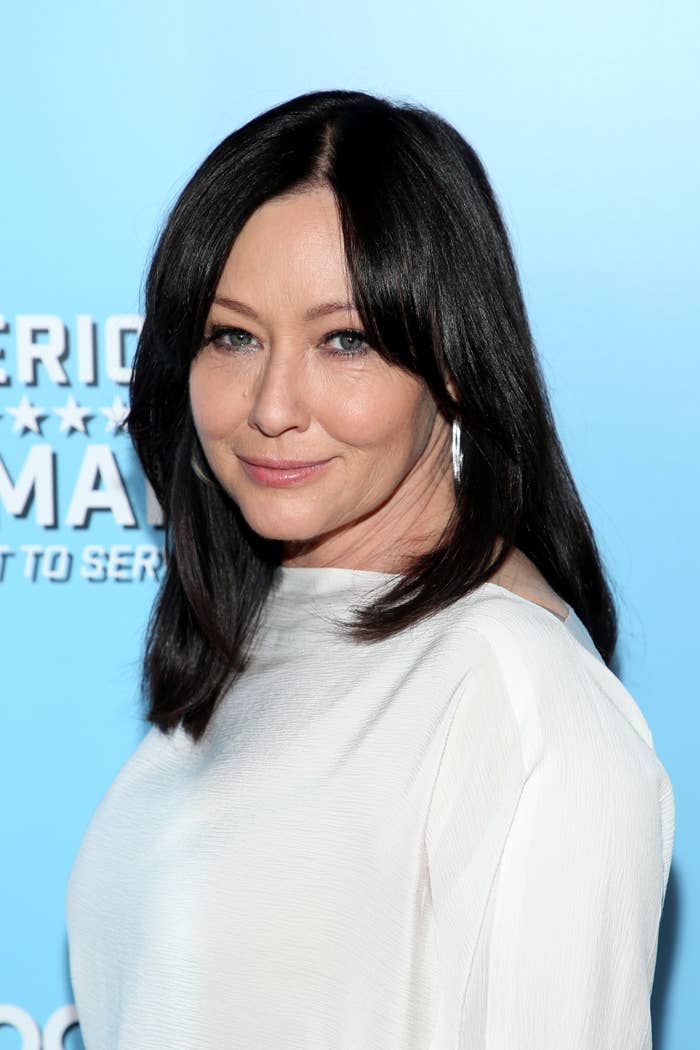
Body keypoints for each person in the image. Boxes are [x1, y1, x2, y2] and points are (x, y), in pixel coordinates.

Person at [65, 88, 674, 1049]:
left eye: (342, 340)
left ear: (455, 362)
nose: (272, 405)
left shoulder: (514, 691)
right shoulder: (263, 637)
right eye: (234, 336)